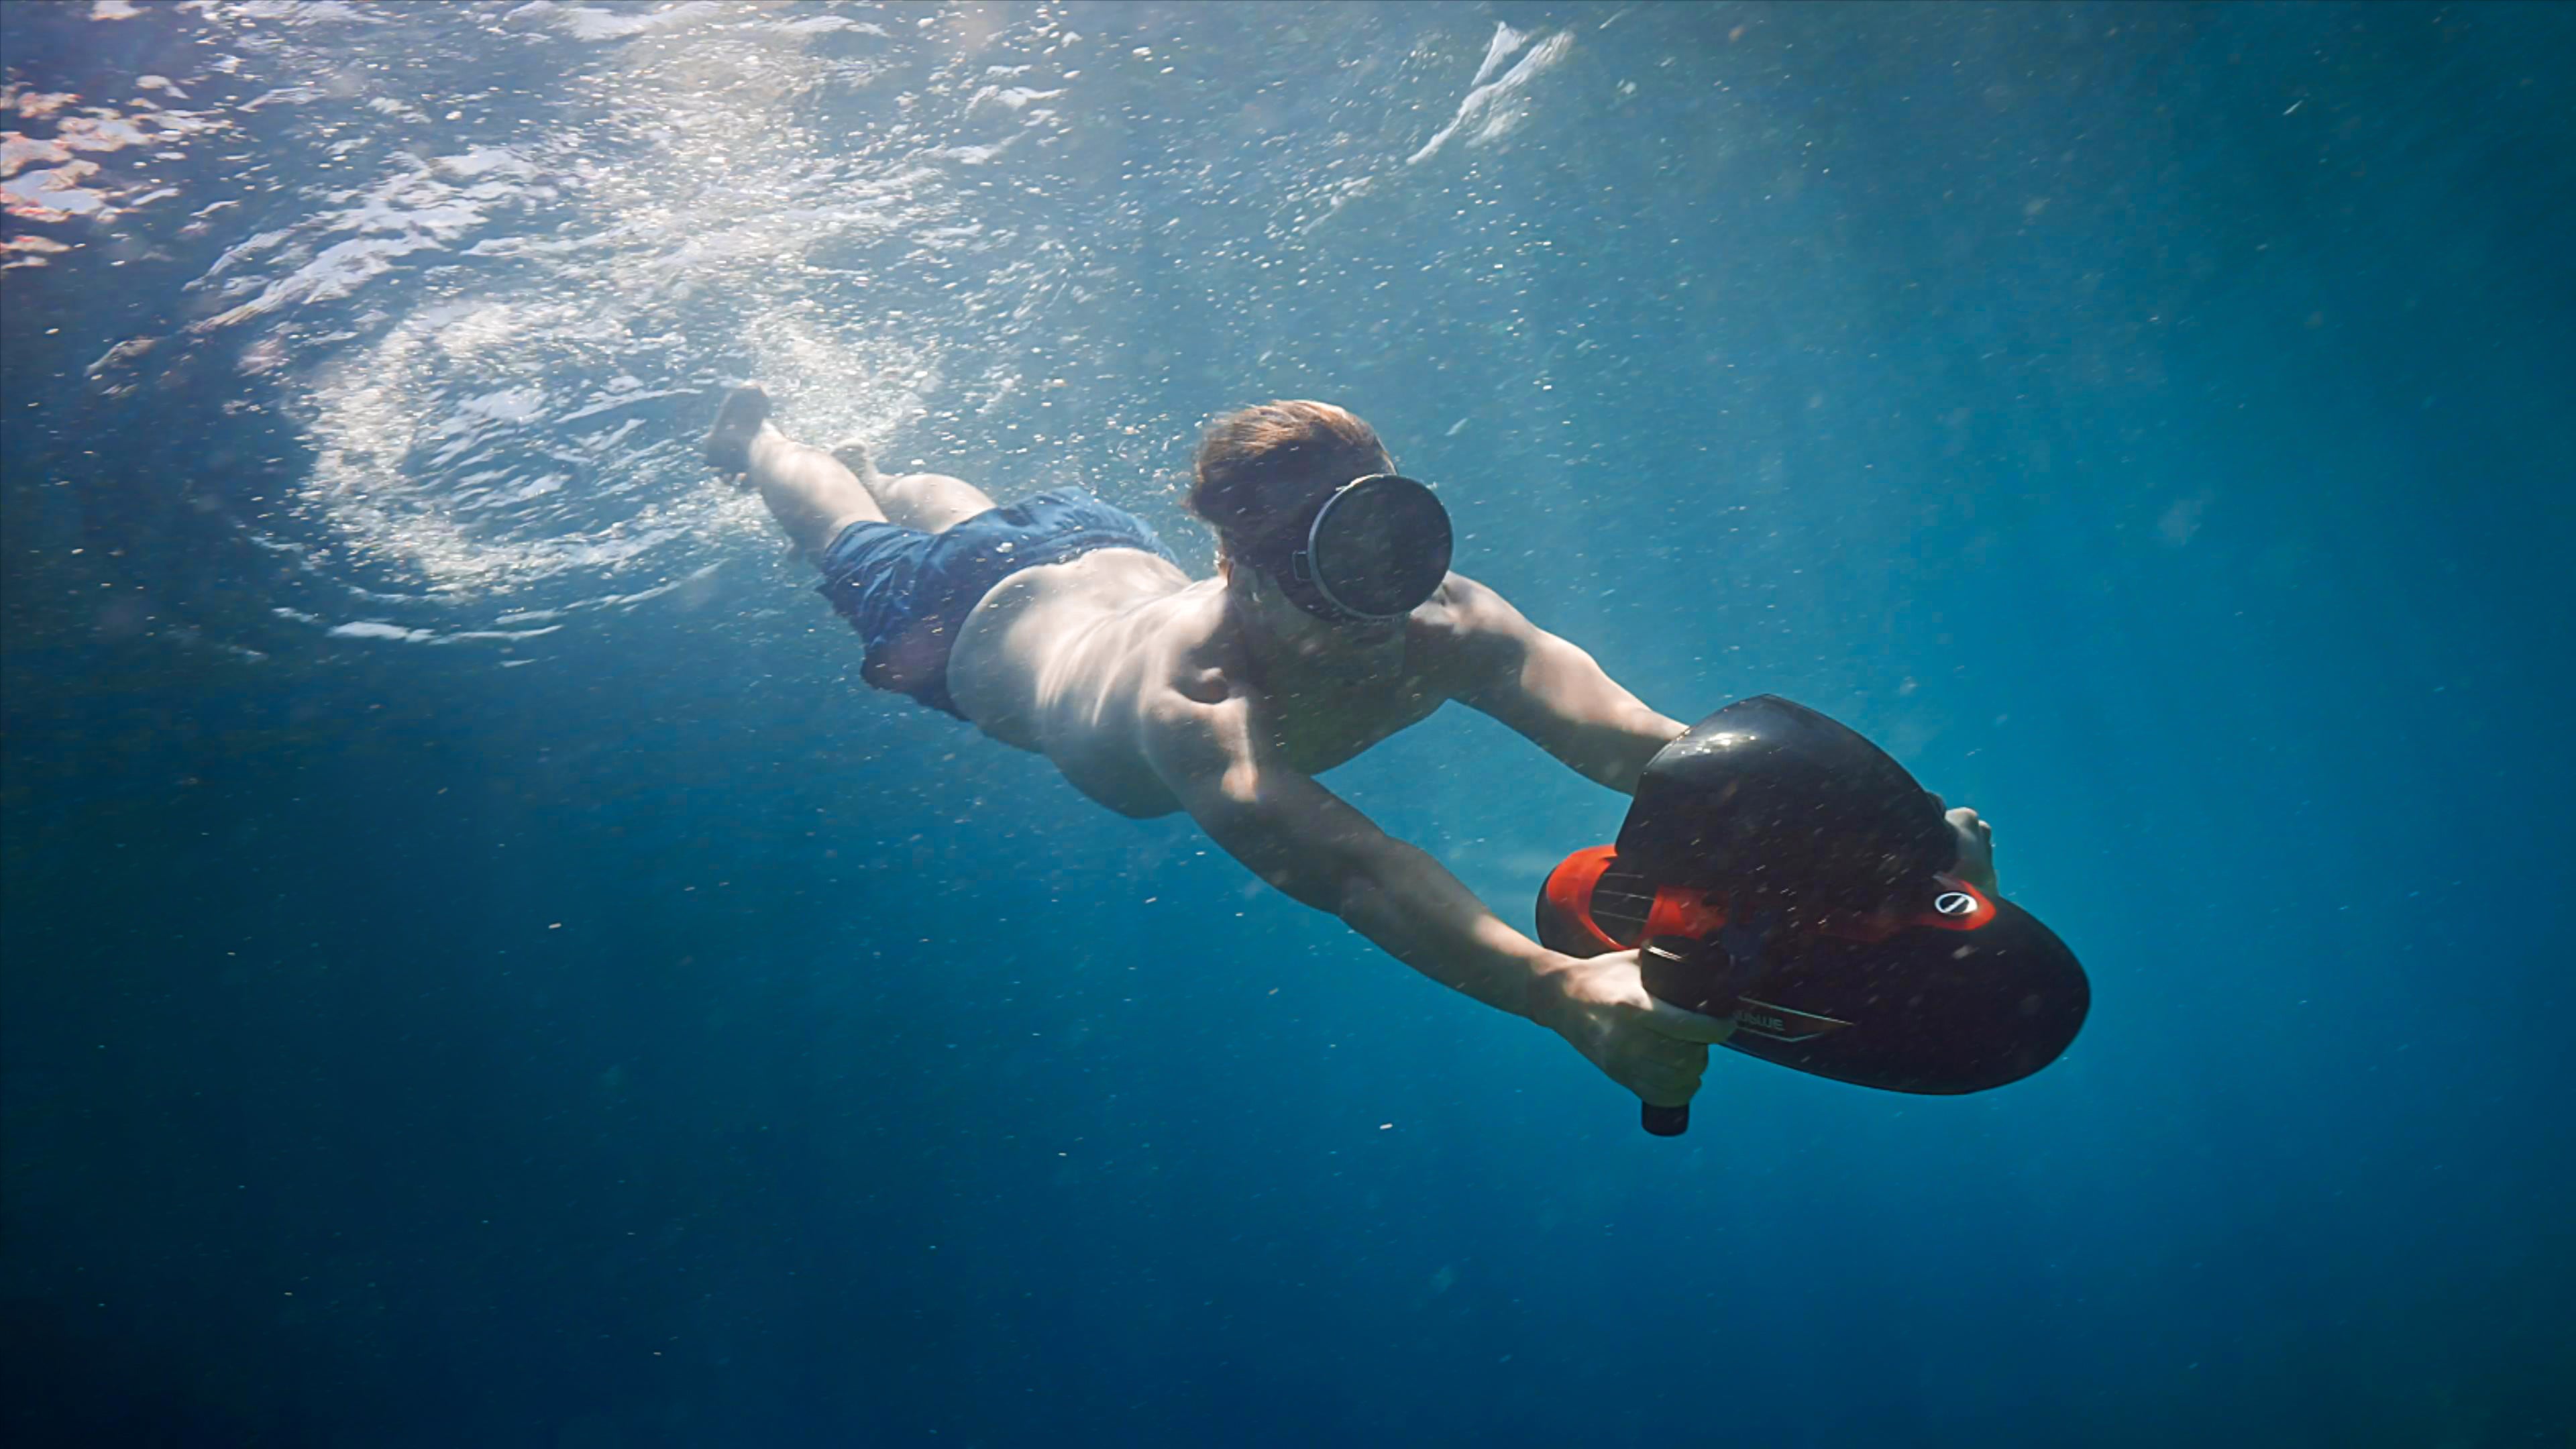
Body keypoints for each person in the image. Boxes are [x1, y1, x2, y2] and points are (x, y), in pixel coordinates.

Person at [706, 388, 1995, 1112]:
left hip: (1083, 543)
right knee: (841, 528)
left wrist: (1868, 830)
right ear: (1237, 565)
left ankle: (915, 481)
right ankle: (758, 436)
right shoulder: (1194, 698)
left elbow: (1649, 752)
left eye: (1392, 540)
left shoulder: (1446, 619)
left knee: (962, 514)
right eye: (1326, 569)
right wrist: (1558, 992)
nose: (1375, 599)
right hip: (962, 633)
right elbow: (1356, 872)